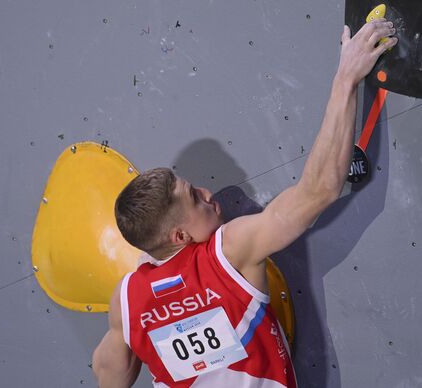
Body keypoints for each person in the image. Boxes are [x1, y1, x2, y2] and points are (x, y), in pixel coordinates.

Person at [92, 20, 397, 388]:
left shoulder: (127, 301)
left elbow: (108, 374)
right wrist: (346, 79)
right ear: (179, 235)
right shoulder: (227, 253)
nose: (208, 193)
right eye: (194, 197)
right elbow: (320, 190)